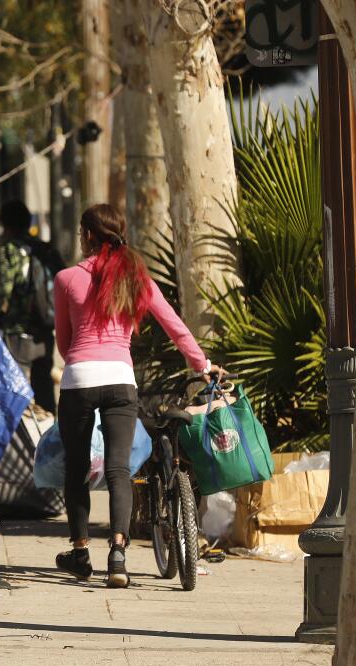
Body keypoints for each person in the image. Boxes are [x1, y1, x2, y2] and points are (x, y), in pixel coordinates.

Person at [53, 203, 222, 588]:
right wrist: (202, 365)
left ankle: (80, 553)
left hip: (79, 377)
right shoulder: (135, 279)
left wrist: (82, 358)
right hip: (119, 378)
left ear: (89, 236)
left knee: (77, 469)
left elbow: (64, 343)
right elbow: (175, 327)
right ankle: (117, 553)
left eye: (82, 234)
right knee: (118, 469)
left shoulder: (65, 279)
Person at [0, 201, 66, 413]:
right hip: (44, 328)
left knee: (16, 390)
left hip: (17, 331)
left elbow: (3, 291)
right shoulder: (46, 249)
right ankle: (50, 438)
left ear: (6, 224)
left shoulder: (10, 249)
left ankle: (20, 441)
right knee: (44, 389)